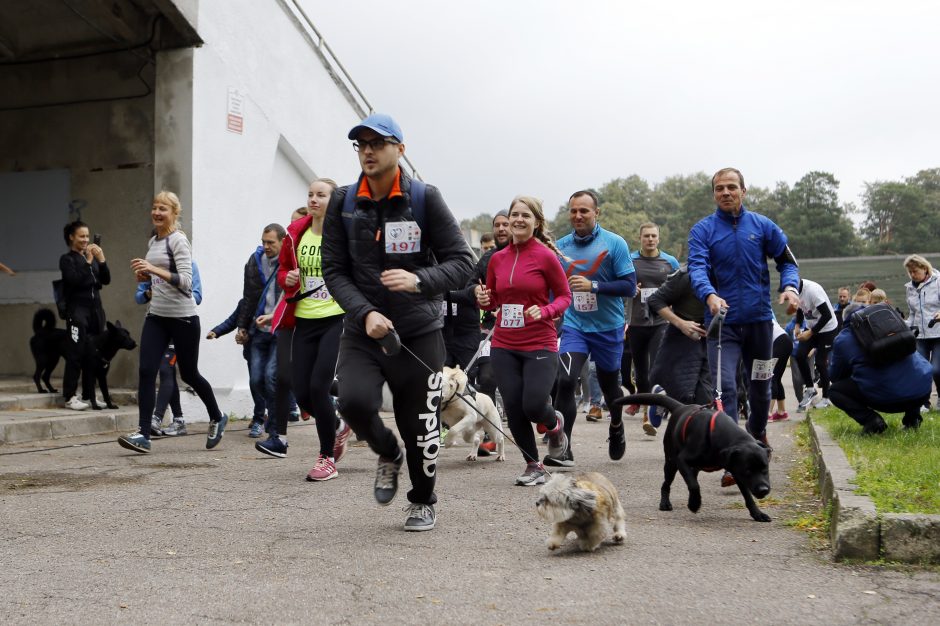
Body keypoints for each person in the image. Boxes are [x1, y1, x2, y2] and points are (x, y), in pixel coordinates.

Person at [322, 113, 474, 531]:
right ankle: (387, 454)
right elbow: (334, 270)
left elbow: (464, 263)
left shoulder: (425, 198)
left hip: (418, 332)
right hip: (363, 329)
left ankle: (422, 500)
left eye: (378, 143)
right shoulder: (343, 201)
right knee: (352, 402)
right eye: (361, 144)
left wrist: (419, 280)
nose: (368, 151)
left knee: (419, 427)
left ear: (400, 150)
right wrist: (366, 312)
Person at [687, 167, 801, 486]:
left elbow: (788, 262)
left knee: (761, 386)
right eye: (719, 188)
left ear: (743, 191)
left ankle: (757, 434)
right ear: (714, 194)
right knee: (725, 389)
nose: (725, 192)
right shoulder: (703, 230)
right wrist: (709, 294)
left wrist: (790, 288)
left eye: (731, 187)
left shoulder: (762, 226)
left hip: (760, 323)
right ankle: (732, 457)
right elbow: (696, 268)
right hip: (722, 325)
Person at [118, 191, 228, 453]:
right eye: (154, 207)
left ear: (174, 213)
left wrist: (154, 269)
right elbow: (158, 281)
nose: (157, 212)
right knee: (146, 371)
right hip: (157, 316)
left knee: (189, 374)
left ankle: (217, 416)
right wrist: (145, 278)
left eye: (163, 209)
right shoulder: (154, 241)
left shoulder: (178, 241)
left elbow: (187, 284)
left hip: (183, 318)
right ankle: (143, 434)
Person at [475, 195, 572, 485]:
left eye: (525, 216)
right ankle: (534, 465)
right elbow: (491, 300)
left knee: (533, 404)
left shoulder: (546, 257)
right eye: (514, 214)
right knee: (514, 406)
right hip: (505, 343)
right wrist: (483, 299)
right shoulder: (497, 259)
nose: (518, 220)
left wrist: (544, 311)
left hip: (539, 342)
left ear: (536, 222)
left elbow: (565, 297)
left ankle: (554, 425)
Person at [266, 178, 351, 481]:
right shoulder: (296, 233)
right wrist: (287, 279)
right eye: (311, 195)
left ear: (334, 200)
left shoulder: (342, 233)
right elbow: (284, 271)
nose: (314, 199)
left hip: (334, 317)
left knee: (318, 386)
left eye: (321, 195)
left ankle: (326, 457)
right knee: (301, 391)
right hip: (303, 317)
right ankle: (339, 425)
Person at [550, 189, 636, 467]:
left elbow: (630, 287)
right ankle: (564, 447)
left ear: (596, 213)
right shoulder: (560, 247)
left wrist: (594, 286)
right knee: (565, 380)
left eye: (584, 211)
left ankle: (617, 426)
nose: (578, 215)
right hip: (575, 326)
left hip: (608, 328)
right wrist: (551, 311)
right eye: (573, 210)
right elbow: (554, 287)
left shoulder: (615, 243)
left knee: (611, 388)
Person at [829, 303, 932, 433]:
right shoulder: (893, 324)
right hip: (922, 392)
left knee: (835, 391)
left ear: (845, 319)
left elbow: (836, 376)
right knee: (911, 371)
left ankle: (872, 421)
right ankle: (913, 420)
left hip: (886, 401)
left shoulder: (843, 339)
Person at [135, 263, 203, 437]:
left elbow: (197, 295)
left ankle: (156, 419)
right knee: (164, 371)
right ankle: (179, 420)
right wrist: (149, 293)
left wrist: (175, 295)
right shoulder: (152, 265)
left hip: (180, 323)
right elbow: (139, 296)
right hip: (157, 325)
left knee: (169, 369)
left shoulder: (189, 265)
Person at [625, 222, 679, 435]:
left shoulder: (670, 261)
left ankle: (651, 411)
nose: (650, 239)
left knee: (657, 364)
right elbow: (622, 287)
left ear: (659, 238)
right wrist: (631, 289)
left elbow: (680, 286)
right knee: (640, 369)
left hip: (660, 322)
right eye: (646, 236)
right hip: (637, 322)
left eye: (653, 236)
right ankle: (646, 402)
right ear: (640, 238)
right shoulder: (630, 260)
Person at [237, 224, 286, 438]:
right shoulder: (254, 261)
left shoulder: (289, 262)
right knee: (256, 379)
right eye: (263, 242)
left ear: (283, 242)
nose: (266, 246)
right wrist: (242, 326)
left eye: (271, 243)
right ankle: (268, 416)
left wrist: (276, 317)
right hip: (258, 330)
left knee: (270, 376)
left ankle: (274, 424)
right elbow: (248, 297)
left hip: (279, 330)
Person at [59, 220, 110, 411]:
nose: (86, 240)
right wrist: (88, 261)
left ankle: (88, 395)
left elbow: (106, 280)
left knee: (92, 353)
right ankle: (70, 396)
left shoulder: (93, 258)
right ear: (71, 237)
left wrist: (101, 259)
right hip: (77, 310)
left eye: (87, 236)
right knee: (75, 353)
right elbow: (74, 280)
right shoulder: (67, 259)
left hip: (95, 311)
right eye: (82, 236)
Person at [647, 265, 711, 408]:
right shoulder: (686, 276)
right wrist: (681, 324)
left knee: (706, 393)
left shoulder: (732, 274)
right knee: (670, 383)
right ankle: (659, 404)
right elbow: (655, 300)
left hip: (715, 337)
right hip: (682, 335)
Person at [793, 278, 839, 410]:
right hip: (812, 327)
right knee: (800, 355)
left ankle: (826, 398)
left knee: (820, 363)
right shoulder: (794, 290)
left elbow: (827, 315)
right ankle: (810, 388)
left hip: (828, 329)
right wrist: (797, 325)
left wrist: (810, 333)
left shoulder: (813, 291)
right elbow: (800, 308)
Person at [903, 254, 940, 410]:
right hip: (920, 336)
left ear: (925, 269)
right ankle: (924, 402)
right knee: (920, 371)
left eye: (915, 271)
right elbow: (912, 313)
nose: (912, 275)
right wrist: (906, 327)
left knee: (936, 369)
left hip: (938, 333)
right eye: (910, 272)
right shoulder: (910, 288)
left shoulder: (938, 282)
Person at [767, 316, 792, 422]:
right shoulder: (765, 315)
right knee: (776, 378)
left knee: (771, 376)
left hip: (780, 342)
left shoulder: (758, 317)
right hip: (786, 341)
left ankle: (767, 413)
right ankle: (782, 412)